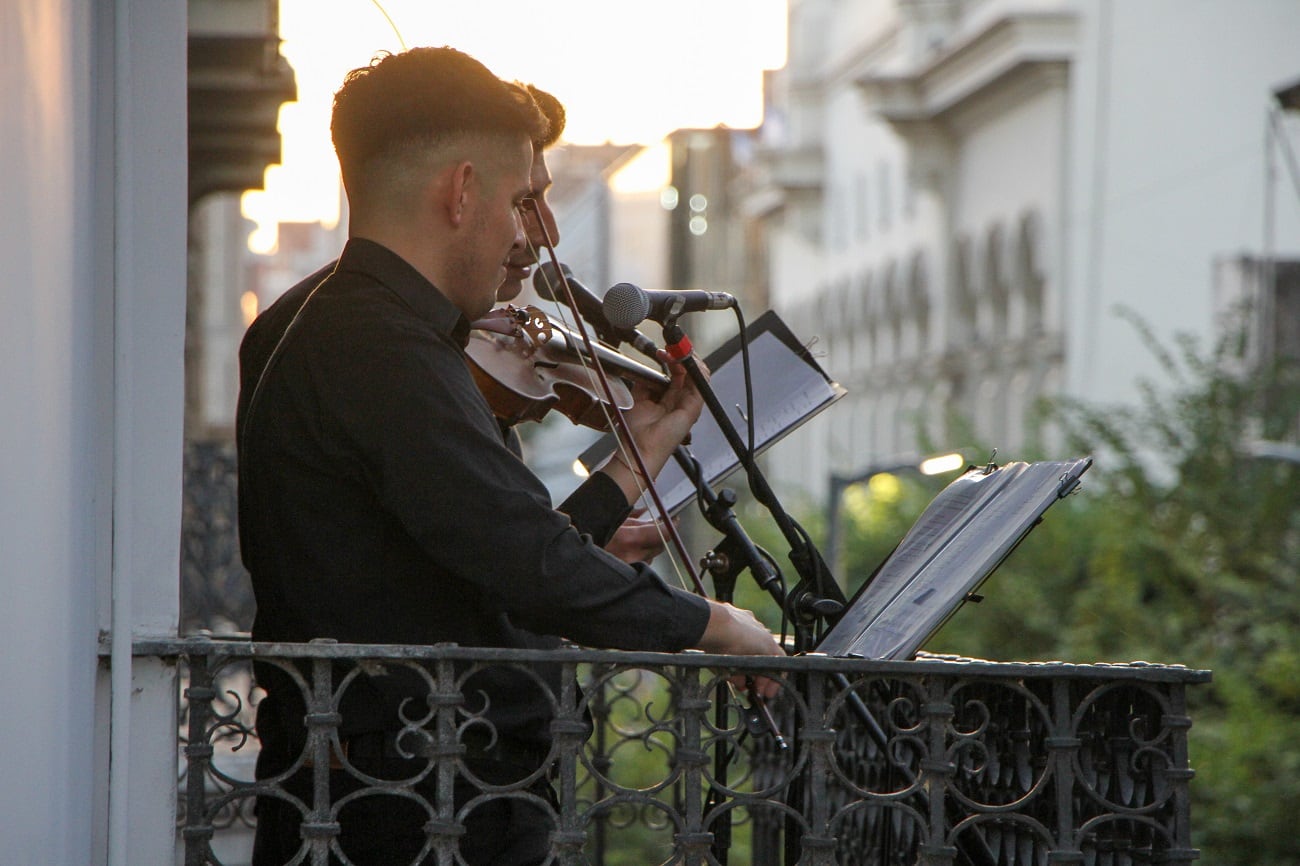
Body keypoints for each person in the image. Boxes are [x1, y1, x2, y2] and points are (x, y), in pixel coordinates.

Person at [236, 46, 782, 866]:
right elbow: (525, 559)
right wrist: (715, 624)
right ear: (461, 192)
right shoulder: (379, 346)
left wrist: (640, 455)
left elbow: (483, 552)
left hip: (425, 794)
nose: (543, 234)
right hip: (411, 812)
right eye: (526, 198)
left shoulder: (357, 328)